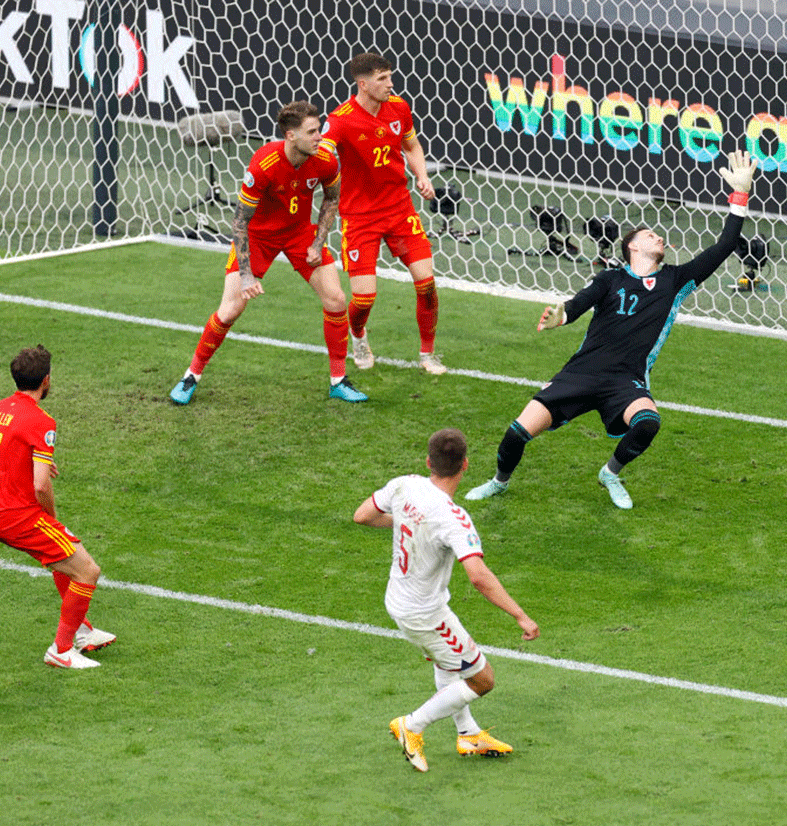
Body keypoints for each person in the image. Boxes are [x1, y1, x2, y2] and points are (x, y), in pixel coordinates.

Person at [464, 150, 758, 509]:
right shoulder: (611, 278)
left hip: (626, 380)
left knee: (648, 422)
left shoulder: (676, 280)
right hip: (582, 372)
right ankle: (499, 482)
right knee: (517, 433)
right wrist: (564, 315)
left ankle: (610, 473)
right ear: (633, 245)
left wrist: (740, 196)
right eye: (651, 234)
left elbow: (725, 246)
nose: (659, 238)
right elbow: (581, 301)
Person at [353, 428, 539, 772]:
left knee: (448, 661)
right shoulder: (454, 519)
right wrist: (520, 615)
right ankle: (411, 725)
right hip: (424, 613)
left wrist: (407, 522)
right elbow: (479, 577)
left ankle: (468, 734)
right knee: (482, 680)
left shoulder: (404, 484)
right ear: (465, 465)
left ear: (428, 462)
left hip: (400, 598)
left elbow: (362, 515)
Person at [169, 101, 367, 405]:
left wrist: (317, 241)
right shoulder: (264, 164)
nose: (320, 136)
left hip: (300, 233)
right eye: (312, 132)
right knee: (231, 309)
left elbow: (331, 199)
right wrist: (247, 274)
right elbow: (240, 221)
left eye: (319, 130)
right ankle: (190, 376)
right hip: (258, 237)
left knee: (337, 299)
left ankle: (338, 380)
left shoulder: (326, 158)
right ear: (290, 136)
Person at [0, 345, 116, 669]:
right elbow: (41, 485)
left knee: (61, 557)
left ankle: (83, 631)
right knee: (88, 570)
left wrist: (18, 463)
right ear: (46, 380)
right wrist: (50, 516)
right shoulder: (42, 421)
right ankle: (61, 650)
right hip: (18, 517)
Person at [319, 52, 447, 376]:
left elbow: (412, 146)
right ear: (363, 84)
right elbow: (321, 153)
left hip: (399, 209)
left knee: (426, 283)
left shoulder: (399, 108)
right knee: (363, 299)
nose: (390, 84)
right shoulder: (340, 119)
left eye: (390, 76)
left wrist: (422, 176)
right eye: (382, 79)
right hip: (360, 218)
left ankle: (428, 354)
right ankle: (358, 334)